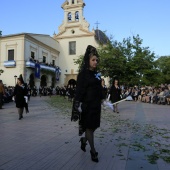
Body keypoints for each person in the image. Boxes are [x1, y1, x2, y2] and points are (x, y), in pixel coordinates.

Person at [71, 45, 103, 162]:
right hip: (87, 106)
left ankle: (84, 140)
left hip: (96, 106)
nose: (95, 62)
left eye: (96, 60)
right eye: (93, 60)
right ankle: (93, 151)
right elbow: (79, 91)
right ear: (88, 60)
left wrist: (103, 99)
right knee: (89, 128)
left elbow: (99, 89)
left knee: (93, 128)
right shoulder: (83, 74)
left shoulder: (97, 74)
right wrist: (77, 105)